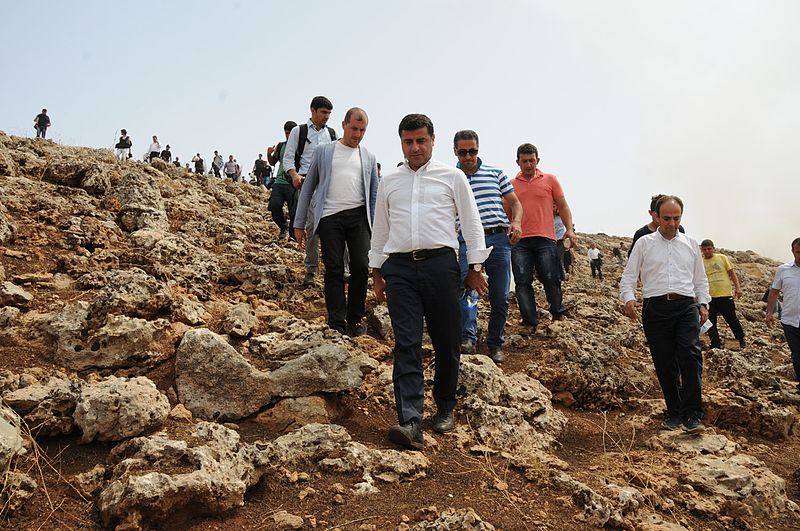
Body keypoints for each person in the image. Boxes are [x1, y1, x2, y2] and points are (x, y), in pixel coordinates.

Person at [370, 114, 490, 450]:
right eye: (408, 142)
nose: (415, 147)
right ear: (401, 143)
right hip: (400, 270)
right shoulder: (390, 180)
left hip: (441, 267)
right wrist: (377, 272)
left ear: (433, 140)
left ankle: (445, 408)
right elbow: (380, 228)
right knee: (406, 343)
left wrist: (475, 267)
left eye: (421, 140)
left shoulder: (452, 177)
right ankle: (410, 420)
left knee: (446, 341)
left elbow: (471, 222)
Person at [620, 195, 710, 434]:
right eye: (667, 218)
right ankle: (674, 412)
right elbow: (629, 277)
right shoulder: (644, 243)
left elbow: (700, 279)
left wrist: (703, 304)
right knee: (664, 361)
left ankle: (693, 414)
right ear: (656, 216)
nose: (672, 223)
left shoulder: (691, 243)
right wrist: (629, 299)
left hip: (686, 307)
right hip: (655, 308)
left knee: (690, 356)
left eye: (676, 218)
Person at [293, 107, 379, 336]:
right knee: (334, 269)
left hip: (359, 217)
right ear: (343, 125)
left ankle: (355, 318)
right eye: (354, 129)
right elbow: (308, 186)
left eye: (362, 130)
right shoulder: (324, 151)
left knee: (361, 266)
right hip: (330, 217)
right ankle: (337, 322)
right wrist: (299, 223)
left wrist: (379, 228)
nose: (357, 134)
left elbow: (374, 195)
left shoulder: (368, 156)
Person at [452, 130, 522, 364]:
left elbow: (515, 203)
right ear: (455, 152)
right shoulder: (451, 177)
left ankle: (495, 343)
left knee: (500, 296)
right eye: (463, 152)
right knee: (468, 291)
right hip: (468, 242)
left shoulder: (496, 173)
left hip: (498, 239)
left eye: (473, 151)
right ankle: (468, 338)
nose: (469, 156)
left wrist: (516, 222)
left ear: (478, 149)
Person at [511, 143, 576, 333]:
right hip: (520, 241)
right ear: (518, 162)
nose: (528, 164)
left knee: (551, 277)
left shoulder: (550, 180)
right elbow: (507, 210)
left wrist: (569, 229)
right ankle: (529, 322)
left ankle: (557, 312)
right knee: (522, 282)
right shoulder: (511, 185)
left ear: (537, 160)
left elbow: (563, 207)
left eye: (532, 160)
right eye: (524, 161)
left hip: (546, 238)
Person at [283, 96, 338, 287]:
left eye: (329, 113)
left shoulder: (331, 134)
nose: (326, 117)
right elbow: (288, 159)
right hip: (306, 182)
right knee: (312, 227)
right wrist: (295, 176)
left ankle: (340, 269)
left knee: (336, 225)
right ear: (313, 110)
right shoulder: (299, 131)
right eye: (323, 112)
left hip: (327, 183)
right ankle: (311, 272)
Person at [766, 238, 800, 390]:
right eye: (798, 252)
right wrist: (769, 313)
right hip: (790, 320)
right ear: (792, 251)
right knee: (797, 356)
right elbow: (774, 293)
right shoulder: (783, 270)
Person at [700, 239, 745, 349]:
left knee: (732, 319)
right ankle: (715, 345)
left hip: (725, 295)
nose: (707, 251)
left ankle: (741, 339)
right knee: (711, 323)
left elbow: (732, 274)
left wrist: (738, 288)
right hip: (710, 298)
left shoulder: (722, 258)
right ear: (701, 250)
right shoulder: (700, 263)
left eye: (709, 249)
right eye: (704, 249)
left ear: (713, 248)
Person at [268, 121, 298, 240]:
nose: (289, 136)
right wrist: (269, 153)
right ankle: (283, 227)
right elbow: (272, 162)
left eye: (291, 133)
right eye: (287, 133)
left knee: (294, 212)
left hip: (293, 184)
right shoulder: (281, 146)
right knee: (274, 206)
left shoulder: (300, 147)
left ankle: (292, 236)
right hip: (279, 182)